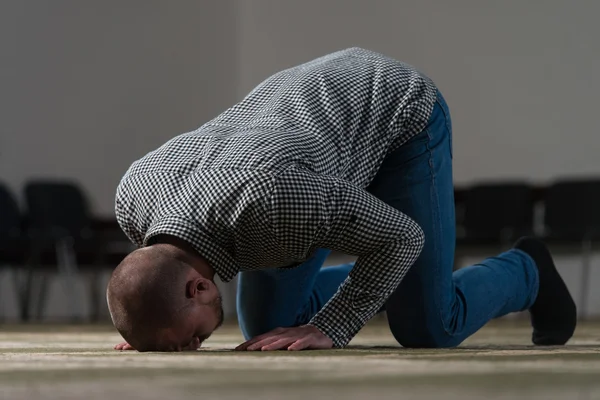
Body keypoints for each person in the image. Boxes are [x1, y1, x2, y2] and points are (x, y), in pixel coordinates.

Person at [107, 47, 576, 352]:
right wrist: (149, 330)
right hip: (303, 151)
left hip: (397, 112)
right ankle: (414, 284)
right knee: (269, 331)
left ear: (199, 287)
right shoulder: (133, 196)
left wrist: (332, 326)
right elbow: (149, 290)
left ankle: (527, 270)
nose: (193, 348)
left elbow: (401, 237)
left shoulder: (274, 206)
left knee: (429, 326)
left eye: (187, 341)